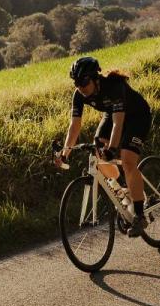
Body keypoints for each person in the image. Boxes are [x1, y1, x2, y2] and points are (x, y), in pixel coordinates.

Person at [58, 55, 151, 234]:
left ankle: (140, 216)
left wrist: (112, 149)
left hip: (137, 116)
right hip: (112, 115)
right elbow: (75, 125)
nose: (80, 87)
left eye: (84, 82)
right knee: (98, 152)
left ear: (95, 78)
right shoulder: (79, 94)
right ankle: (124, 192)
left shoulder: (114, 87)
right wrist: (64, 153)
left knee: (127, 160)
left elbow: (118, 124)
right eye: (76, 83)